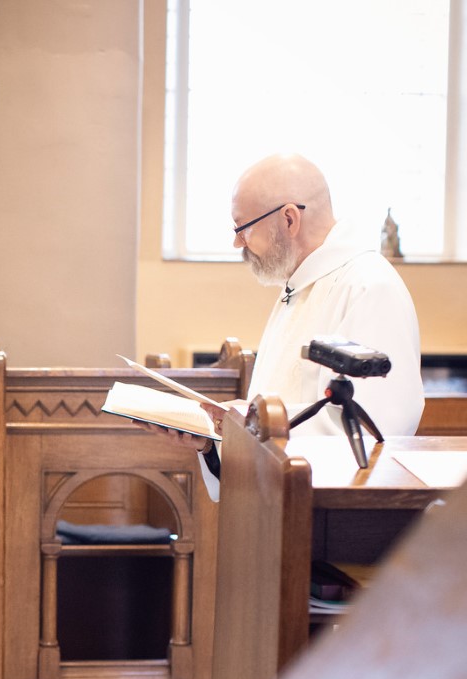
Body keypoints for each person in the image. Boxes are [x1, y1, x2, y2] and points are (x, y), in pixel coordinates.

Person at [152, 154, 424, 487]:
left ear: (289, 219)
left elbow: (371, 431)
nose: (237, 242)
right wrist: (214, 442)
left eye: (243, 227)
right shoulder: (298, 287)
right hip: (278, 499)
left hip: (327, 507)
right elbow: (279, 414)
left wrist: (247, 422)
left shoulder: (369, 288)